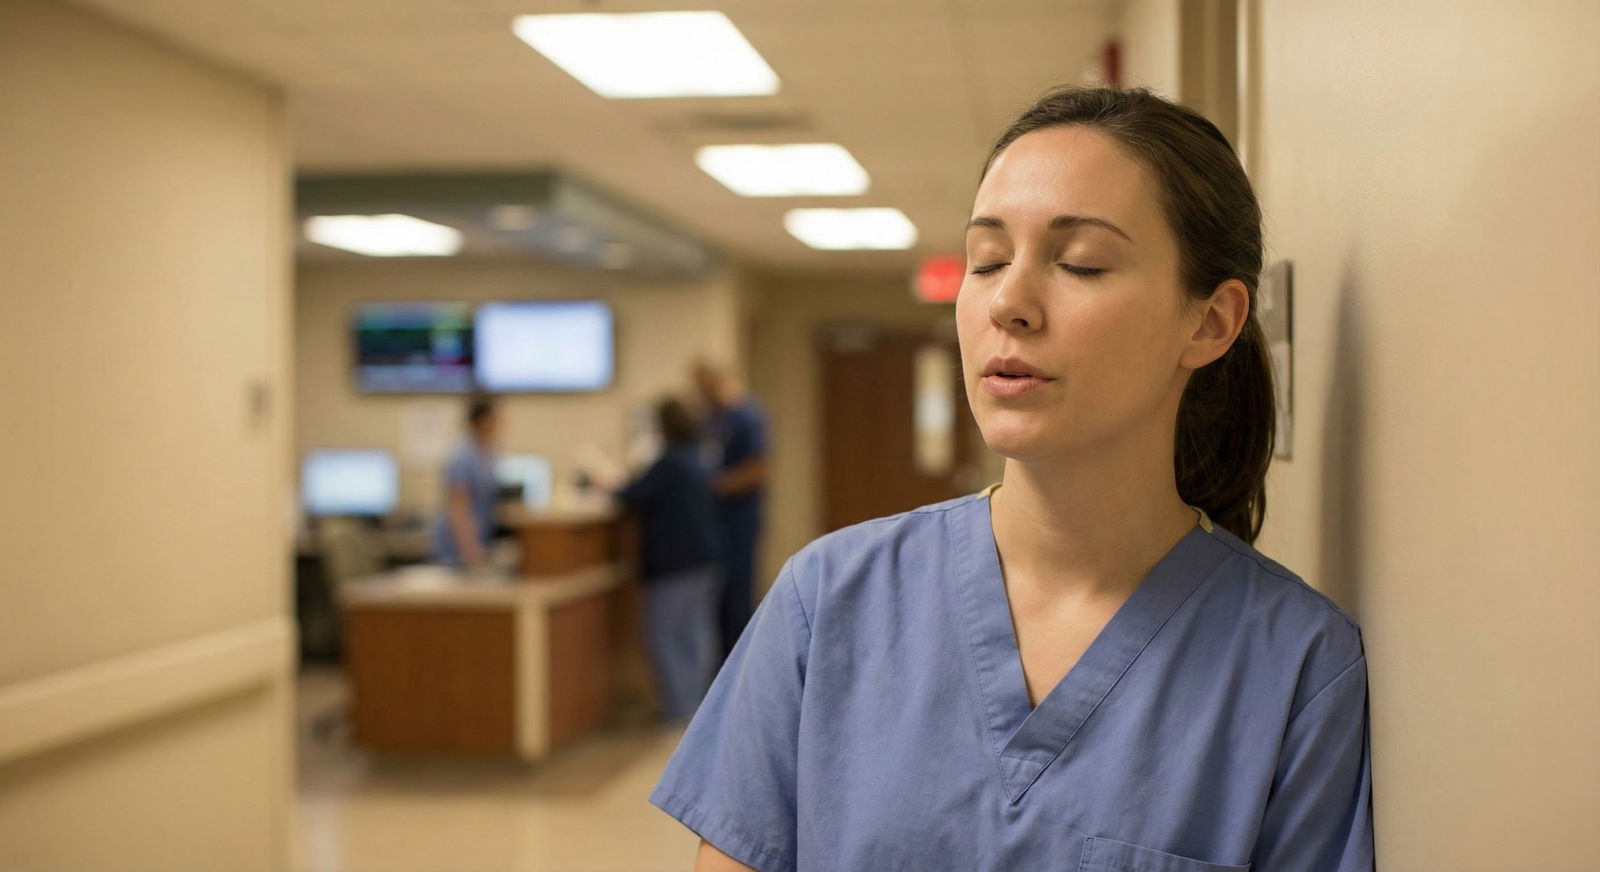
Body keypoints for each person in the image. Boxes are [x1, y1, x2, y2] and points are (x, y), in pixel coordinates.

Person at [651, 87, 1374, 871]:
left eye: (1081, 264)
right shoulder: (827, 602)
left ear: (1209, 322)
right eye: (986, 260)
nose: (1009, 303)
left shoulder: (1297, 667)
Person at [609, 398, 724, 720]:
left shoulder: (669, 464)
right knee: (696, 634)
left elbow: (631, 496)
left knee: (666, 637)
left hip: (674, 565)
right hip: (704, 559)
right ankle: (698, 707)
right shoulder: (700, 458)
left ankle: (679, 710)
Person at [691, 360, 769, 659]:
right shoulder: (712, 418)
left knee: (736, 601)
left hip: (738, 522)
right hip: (716, 524)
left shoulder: (745, 416)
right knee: (716, 606)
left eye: (700, 385)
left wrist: (709, 486)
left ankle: (739, 673)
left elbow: (758, 469)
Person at [430, 394, 501, 569]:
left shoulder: (487, 453)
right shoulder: (462, 457)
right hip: (458, 547)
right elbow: (458, 507)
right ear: (483, 420)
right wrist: (470, 549)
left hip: (480, 538)